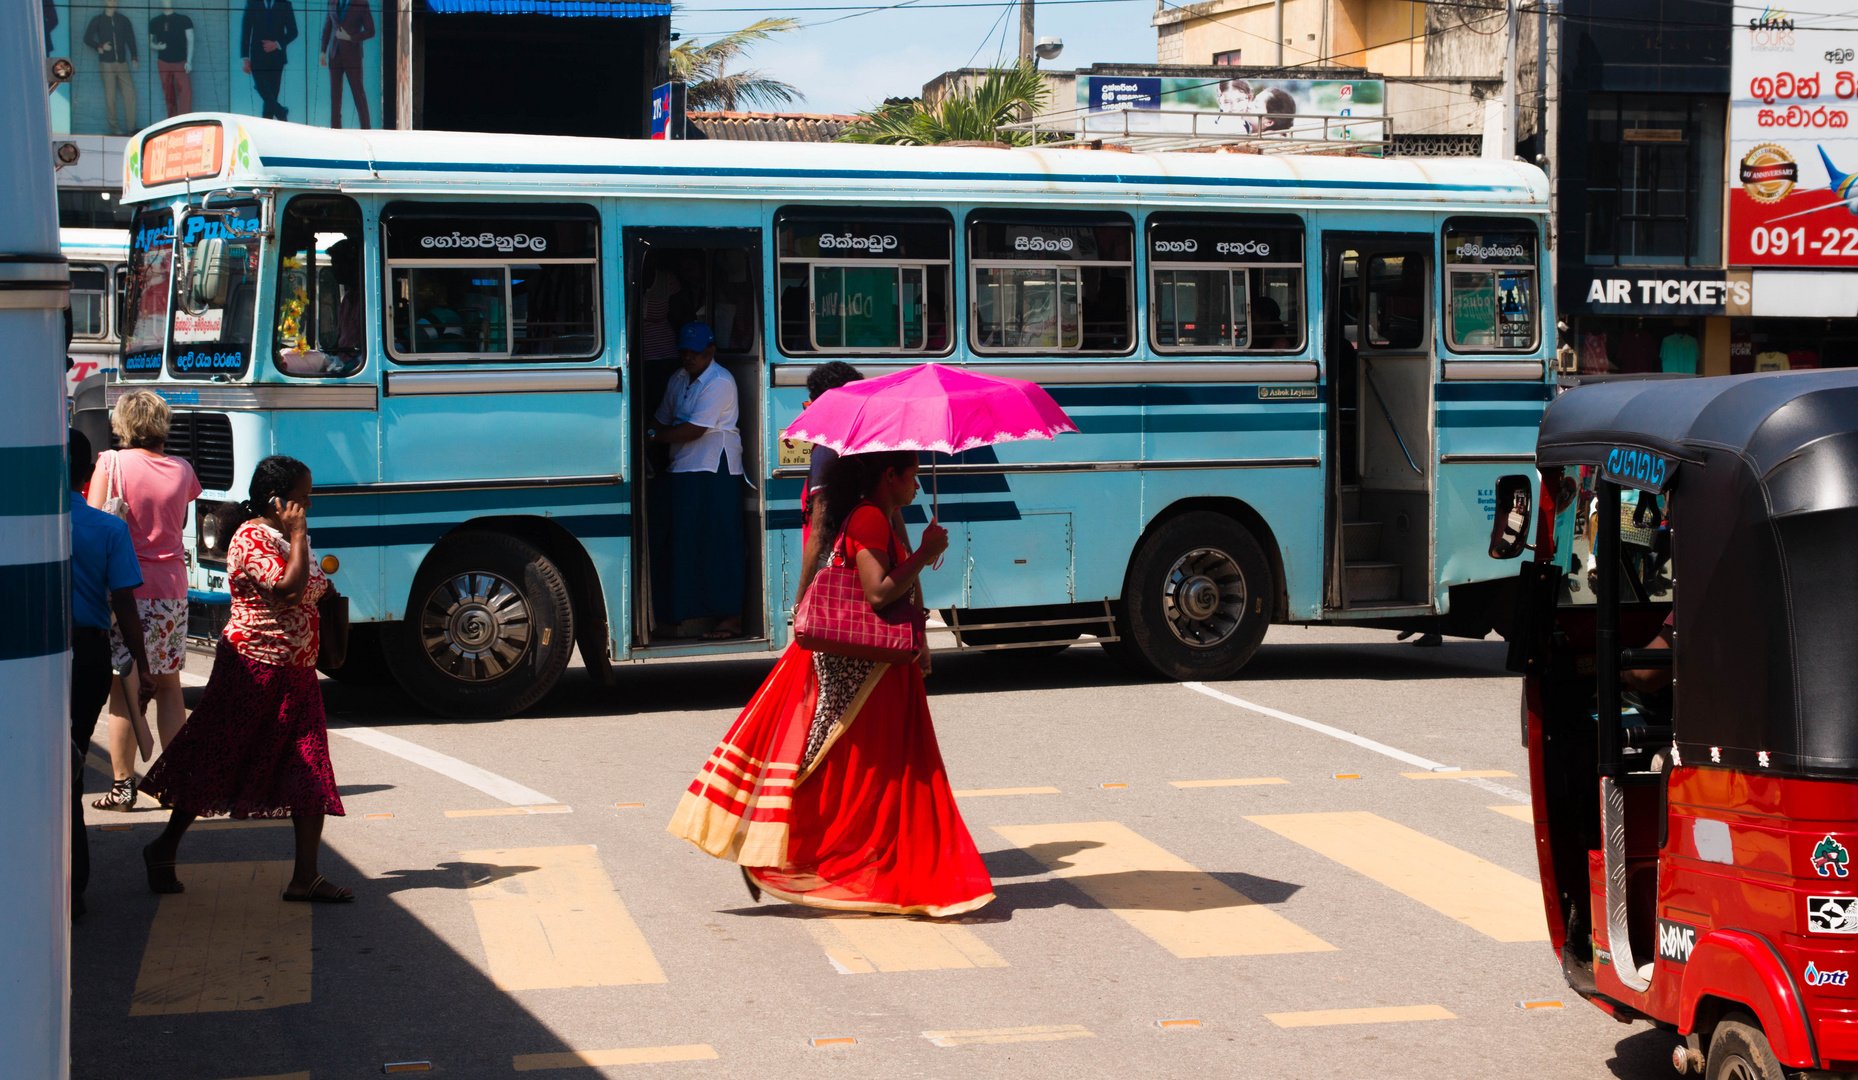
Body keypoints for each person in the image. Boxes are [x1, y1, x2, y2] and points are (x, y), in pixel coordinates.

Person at [668, 450, 993, 916]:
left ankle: (819, 851)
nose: (918, 486)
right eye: (913, 476)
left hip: (876, 663)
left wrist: (919, 626)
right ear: (890, 476)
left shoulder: (877, 514)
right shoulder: (868, 518)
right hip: (860, 665)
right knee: (836, 758)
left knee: (865, 768)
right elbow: (879, 591)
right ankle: (762, 842)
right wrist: (925, 553)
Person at [140, 456, 351, 901]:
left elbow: (311, 584)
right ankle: (163, 847)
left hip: (296, 672)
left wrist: (310, 563)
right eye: (302, 497)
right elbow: (289, 589)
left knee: (309, 767)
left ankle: (305, 877)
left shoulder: (289, 535)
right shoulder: (252, 538)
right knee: (216, 759)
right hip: (251, 670)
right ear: (276, 502)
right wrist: (298, 539)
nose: (308, 504)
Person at [87, 390, 201, 811]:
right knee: (170, 687)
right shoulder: (182, 470)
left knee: (125, 688)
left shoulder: (111, 463)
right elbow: (179, 522)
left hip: (125, 591)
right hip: (171, 588)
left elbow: (96, 521)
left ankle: (123, 785)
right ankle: (173, 783)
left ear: (122, 423)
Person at [68, 431, 150, 918]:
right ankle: (74, 887)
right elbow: (125, 604)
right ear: (86, 475)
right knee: (72, 769)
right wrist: (140, 666)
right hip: (91, 656)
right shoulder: (107, 529)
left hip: (34, 659)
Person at [647, 322, 745, 639]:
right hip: (682, 467)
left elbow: (693, 430)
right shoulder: (678, 378)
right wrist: (651, 433)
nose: (689, 357)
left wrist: (653, 438)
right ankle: (682, 613)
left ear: (711, 351)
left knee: (717, 545)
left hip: (712, 468)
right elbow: (661, 417)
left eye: (697, 351)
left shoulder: (720, 381)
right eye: (685, 351)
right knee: (683, 544)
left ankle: (730, 618)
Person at [83, 0, 138, 135]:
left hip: (121, 62)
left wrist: (134, 57)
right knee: (110, 95)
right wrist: (99, 47)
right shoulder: (99, 19)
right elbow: (87, 38)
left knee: (130, 93)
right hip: (106, 63)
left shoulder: (123, 20)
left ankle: (131, 128)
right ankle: (115, 128)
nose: (112, 1)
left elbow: (131, 39)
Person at [319, 0, 373, 129]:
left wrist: (350, 37)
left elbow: (371, 31)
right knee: (335, 94)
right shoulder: (332, 2)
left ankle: (366, 128)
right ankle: (335, 128)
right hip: (334, 53)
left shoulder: (361, 3)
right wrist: (323, 51)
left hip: (353, 55)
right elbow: (328, 26)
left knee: (358, 92)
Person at [241, 0, 299, 121]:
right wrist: (245, 58)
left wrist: (277, 44)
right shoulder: (252, 3)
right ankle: (281, 112)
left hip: (277, 59)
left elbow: (293, 32)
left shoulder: (285, 4)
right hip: (257, 57)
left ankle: (267, 125)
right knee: (262, 88)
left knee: (271, 96)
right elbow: (246, 31)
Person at [149, 0, 194, 119]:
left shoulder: (184, 20)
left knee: (185, 91)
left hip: (180, 62)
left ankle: (185, 119)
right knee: (168, 93)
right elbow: (150, 42)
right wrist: (157, 46)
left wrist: (189, 61)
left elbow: (191, 40)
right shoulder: (155, 21)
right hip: (164, 62)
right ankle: (172, 120)